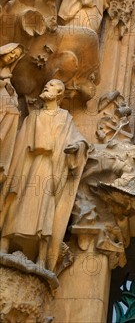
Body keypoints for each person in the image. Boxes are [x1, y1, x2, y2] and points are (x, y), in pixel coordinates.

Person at [0, 79, 88, 271]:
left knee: (45, 209)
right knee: (15, 203)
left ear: (60, 93)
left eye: (53, 85)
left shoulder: (65, 118)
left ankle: (42, 259)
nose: (47, 86)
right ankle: (4, 246)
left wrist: (76, 148)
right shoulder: (32, 117)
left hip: (49, 167)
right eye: (46, 83)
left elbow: (79, 140)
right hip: (27, 166)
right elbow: (19, 145)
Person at [0, 43, 24, 180]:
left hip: (4, 108)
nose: (13, 56)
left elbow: (11, 93)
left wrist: (13, 97)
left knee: (14, 112)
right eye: (12, 52)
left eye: (16, 56)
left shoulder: (6, 73)